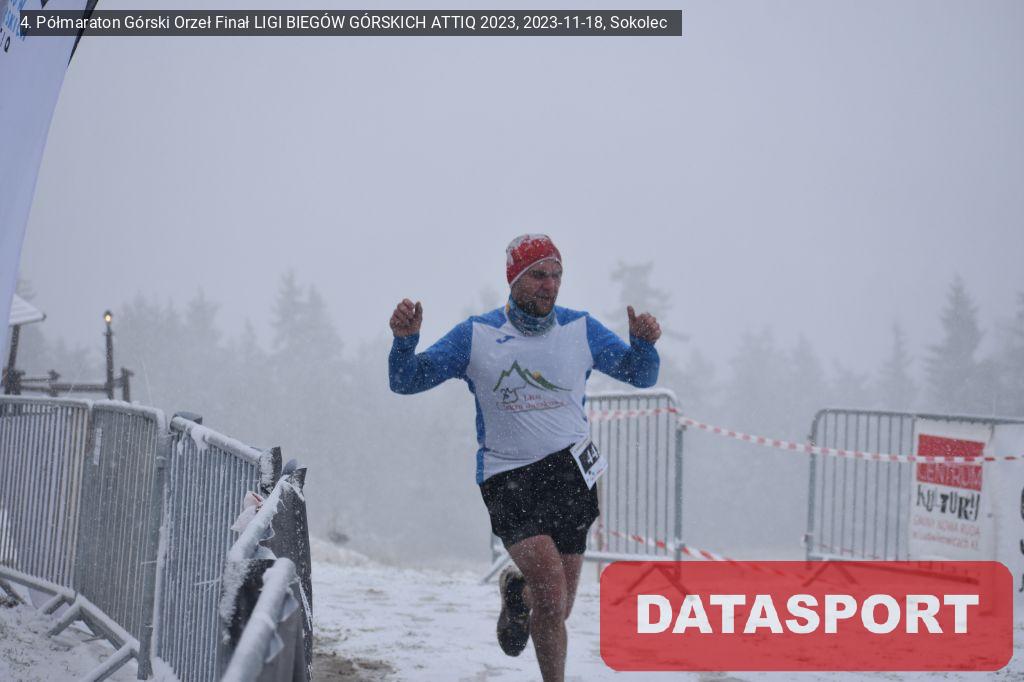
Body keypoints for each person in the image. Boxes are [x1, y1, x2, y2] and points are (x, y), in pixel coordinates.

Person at [388, 234, 661, 682]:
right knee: (551, 591)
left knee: (559, 606)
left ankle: (518, 594)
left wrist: (644, 345)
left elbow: (641, 375)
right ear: (513, 279)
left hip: (572, 473)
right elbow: (406, 380)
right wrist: (404, 341)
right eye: (538, 275)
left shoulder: (581, 329)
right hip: (509, 476)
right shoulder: (476, 335)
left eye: (556, 275)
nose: (549, 285)